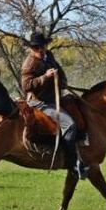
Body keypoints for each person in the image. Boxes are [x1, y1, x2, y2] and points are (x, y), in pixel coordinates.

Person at [20, 31, 88, 179]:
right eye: (36, 47)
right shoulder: (29, 63)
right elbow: (26, 85)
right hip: (39, 102)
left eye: (42, 46)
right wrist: (45, 77)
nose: (40, 50)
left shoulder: (49, 56)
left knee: (79, 108)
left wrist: (62, 80)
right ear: (31, 48)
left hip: (54, 98)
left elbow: (60, 71)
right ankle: (74, 163)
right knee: (69, 125)